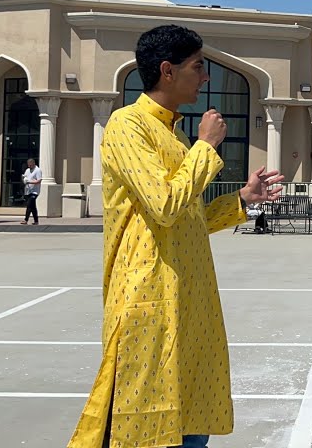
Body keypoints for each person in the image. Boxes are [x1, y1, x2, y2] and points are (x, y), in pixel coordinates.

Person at [68, 25, 284, 448]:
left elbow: (188, 217)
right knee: (142, 422)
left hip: (187, 297)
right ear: (167, 71)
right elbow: (165, 205)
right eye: (198, 68)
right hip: (147, 295)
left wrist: (241, 199)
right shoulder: (127, 125)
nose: (205, 77)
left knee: (189, 413)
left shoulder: (173, 132)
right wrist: (206, 147)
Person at [21, 158, 42, 225]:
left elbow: (39, 181)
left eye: (30, 165)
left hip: (35, 191)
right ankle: (36, 221)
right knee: (33, 207)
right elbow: (25, 178)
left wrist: (30, 182)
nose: (29, 166)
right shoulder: (27, 170)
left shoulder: (38, 170)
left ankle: (25, 219)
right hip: (28, 191)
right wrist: (24, 180)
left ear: (33, 163)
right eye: (28, 165)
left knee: (29, 204)